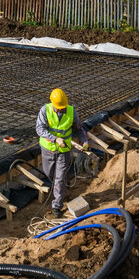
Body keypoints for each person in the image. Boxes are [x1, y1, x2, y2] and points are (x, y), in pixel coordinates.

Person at [36, 88, 88, 219]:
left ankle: (57, 205)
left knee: (59, 179)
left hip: (63, 152)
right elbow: (39, 129)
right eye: (58, 107)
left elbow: (79, 128)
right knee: (50, 174)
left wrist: (84, 141)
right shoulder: (45, 110)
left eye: (62, 107)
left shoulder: (71, 111)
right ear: (52, 103)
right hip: (48, 149)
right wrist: (55, 139)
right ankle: (61, 189)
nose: (61, 109)